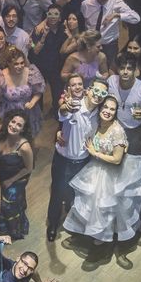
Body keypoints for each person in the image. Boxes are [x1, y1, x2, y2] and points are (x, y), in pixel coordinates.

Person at [63, 96, 141, 268]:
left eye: (112, 109)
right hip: (97, 169)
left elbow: (116, 159)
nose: (107, 111)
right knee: (94, 206)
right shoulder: (97, 123)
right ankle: (98, 240)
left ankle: (113, 245)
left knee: (114, 208)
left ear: (116, 113)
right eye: (105, 107)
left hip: (115, 173)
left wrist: (94, 152)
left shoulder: (117, 131)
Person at [47, 78, 109, 241]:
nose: (98, 95)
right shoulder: (75, 105)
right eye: (96, 90)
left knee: (76, 193)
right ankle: (52, 224)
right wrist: (64, 107)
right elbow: (63, 112)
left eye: (103, 93)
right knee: (57, 193)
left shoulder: (101, 114)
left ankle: (72, 220)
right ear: (88, 90)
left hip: (83, 162)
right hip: (63, 159)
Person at [107, 52, 141, 156]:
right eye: (122, 68)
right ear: (117, 69)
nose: (125, 72)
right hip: (113, 128)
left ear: (135, 70)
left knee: (131, 163)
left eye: (129, 69)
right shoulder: (111, 81)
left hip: (135, 132)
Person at [81, 0, 140, 66]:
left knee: (109, 68)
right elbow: (84, 22)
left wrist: (117, 15)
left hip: (109, 44)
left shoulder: (116, 1)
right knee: (88, 66)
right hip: (91, 43)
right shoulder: (86, 4)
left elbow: (136, 18)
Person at [0, 110, 34, 241]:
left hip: (17, 179)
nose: (14, 126)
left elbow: (29, 168)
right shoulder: (3, 135)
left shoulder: (24, 147)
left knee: (9, 205)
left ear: (23, 130)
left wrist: (11, 181)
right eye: (13, 122)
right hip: (4, 175)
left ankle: (14, 231)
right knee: (8, 203)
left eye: (19, 125)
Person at [0, 47, 45, 136]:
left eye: (22, 63)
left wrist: (32, 102)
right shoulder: (0, 76)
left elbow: (39, 90)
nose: (20, 66)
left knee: (28, 136)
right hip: (9, 113)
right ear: (8, 63)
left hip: (28, 112)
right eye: (16, 64)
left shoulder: (31, 72)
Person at [29, 4, 67, 113]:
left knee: (58, 94)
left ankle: (57, 113)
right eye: (50, 14)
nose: (53, 16)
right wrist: (43, 36)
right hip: (41, 67)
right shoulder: (39, 29)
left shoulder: (63, 29)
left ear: (60, 17)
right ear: (46, 16)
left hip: (57, 68)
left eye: (56, 14)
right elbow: (34, 49)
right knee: (38, 93)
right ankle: (38, 115)